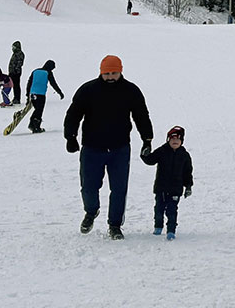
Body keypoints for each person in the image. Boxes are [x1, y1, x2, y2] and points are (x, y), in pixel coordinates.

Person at [64, 55, 153, 240]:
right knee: (89, 186)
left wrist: (147, 139)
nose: (110, 76)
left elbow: (141, 115)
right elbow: (73, 114)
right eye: (107, 73)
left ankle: (115, 225)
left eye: (114, 72)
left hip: (119, 148)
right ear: (101, 72)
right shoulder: (88, 90)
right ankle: (91, 211)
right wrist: (70, 137)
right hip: (92, 148)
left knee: (119, 189)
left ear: (120, 71)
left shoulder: (131, 91)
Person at [140, 125, 193, 240]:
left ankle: (171, 230)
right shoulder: (162, 151)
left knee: (172, 210)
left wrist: (188, 186)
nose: (175, 141)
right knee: (159, 209)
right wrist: (145, 154)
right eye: (172, 139)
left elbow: (187, 173)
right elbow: (151, 160)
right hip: (161, 188)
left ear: (181, 141)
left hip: (176, 189)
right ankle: (158, 226)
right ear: (168, 140)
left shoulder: (184, 155)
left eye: (178, 139)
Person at [25, 59, 64, 133]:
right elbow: (53, 83)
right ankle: (36, 126)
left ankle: (32, 124)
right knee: (39, 110)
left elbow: (29, 83)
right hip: (41, 95)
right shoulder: (48, 72)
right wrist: (60, 92)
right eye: (53, 67)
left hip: (33, 94)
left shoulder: (35, 71)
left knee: (37, 109)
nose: (54, 68)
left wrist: (27, 95)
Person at [8, 41, 25, 105]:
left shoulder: (20, 54)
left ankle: (17, 99)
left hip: (16, 73)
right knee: (14, 85)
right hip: (13, 72)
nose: (13, 48)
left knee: (16, 85)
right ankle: (15, 98)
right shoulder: (15, 54)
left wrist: (15, 71)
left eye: (14, 47)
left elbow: (19, 63)